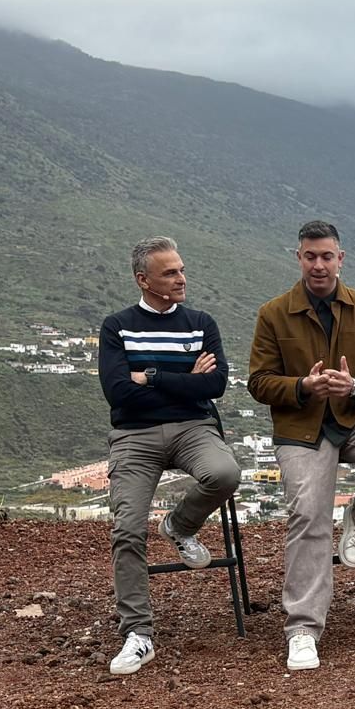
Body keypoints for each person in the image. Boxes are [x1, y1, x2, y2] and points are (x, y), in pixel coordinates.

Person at [248, 220, 355, 672]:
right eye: (309, 256)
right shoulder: (273, 313)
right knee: (308, 512)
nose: (318, 265)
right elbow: (258, 383)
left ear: (341, 259)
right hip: (302, 429)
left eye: (326, 256)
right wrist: (303, 386)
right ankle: (302, 628)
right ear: (298, 258)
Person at [98, 236, 241, 676]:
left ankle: (179, 526)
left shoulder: (201, 322)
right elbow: (117, 392)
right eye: (170, 273)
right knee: (126, 529)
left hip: (193, 428)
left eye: (181, 269)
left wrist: (152, 375)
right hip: (134, 436)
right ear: (143, 280)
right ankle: (138, 633)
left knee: (225, 473)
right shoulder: (116, 326)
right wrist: (182, 378)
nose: (181, 278)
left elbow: (214, 386)